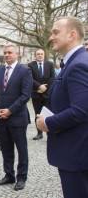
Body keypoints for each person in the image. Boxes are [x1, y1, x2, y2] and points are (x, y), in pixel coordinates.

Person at [37, 16, 88, 198]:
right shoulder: (74, 62)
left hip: (77, 156)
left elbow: (80, 111)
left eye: (56, 32)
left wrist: (48, 122)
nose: (51, 37)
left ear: (72, 35)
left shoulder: (79, 65)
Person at [0, 45, 32, 191]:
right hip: (1, 118)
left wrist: (10, 110)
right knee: (6, 148)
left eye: (10, 52)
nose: (7, 55)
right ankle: (9, 174)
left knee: (21, 149)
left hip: (17, 117)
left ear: (17, 54)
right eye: (4, 53)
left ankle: (21, 177)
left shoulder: (25, 71)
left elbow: (25, 96)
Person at [28, 49, 55, 140]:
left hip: (47, 94)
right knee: (37, 113)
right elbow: (30, 78)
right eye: (38, 54)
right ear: (35, 56)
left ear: (44, 55)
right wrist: (39, 86)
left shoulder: (50, 64)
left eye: (41, 54)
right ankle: (39, 133)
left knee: (47, 114)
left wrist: (44, 88)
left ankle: (48, 132)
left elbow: (52, 77)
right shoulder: (31, 65)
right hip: (36, 93)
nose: (40, 55)